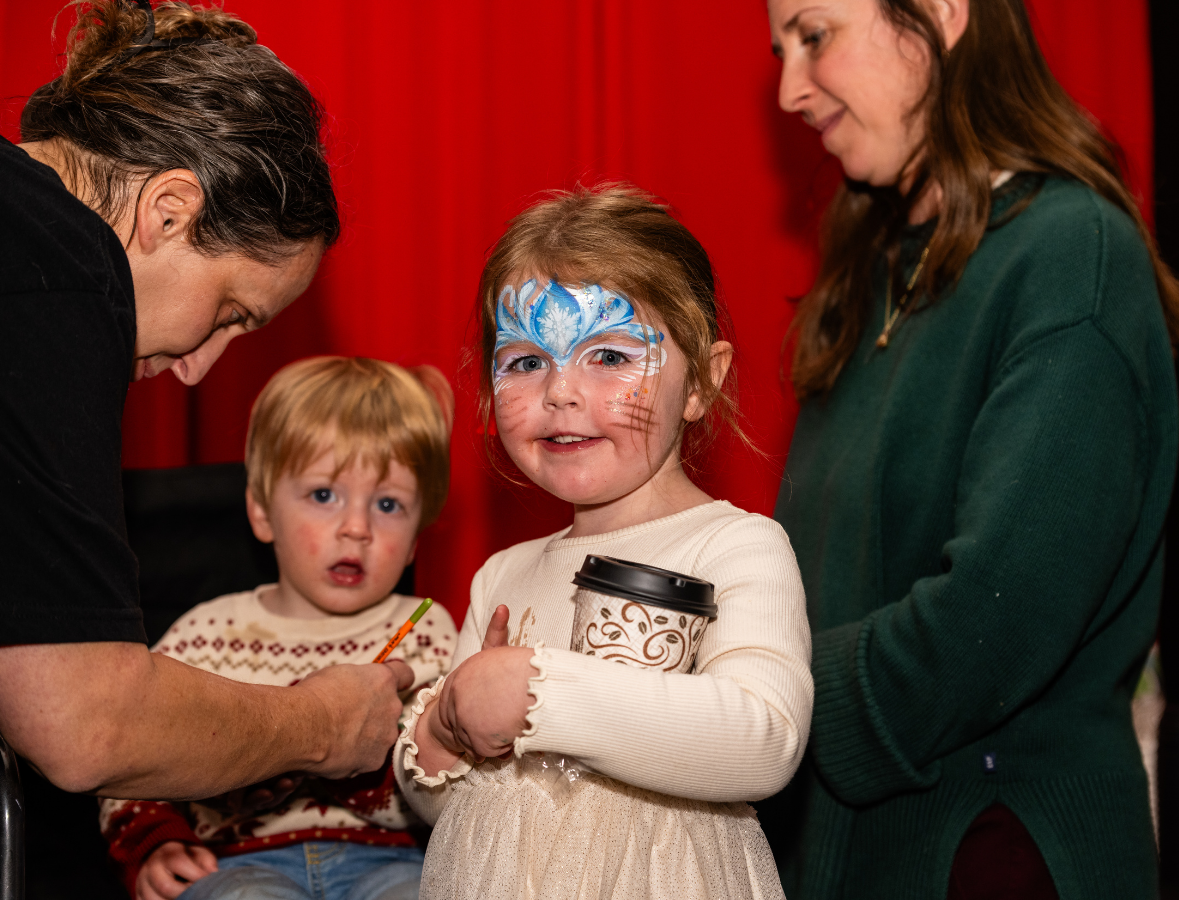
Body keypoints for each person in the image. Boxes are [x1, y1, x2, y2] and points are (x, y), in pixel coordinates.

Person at [763, 0, 1179, 897]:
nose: (790, 88)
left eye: (814, 34)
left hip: (993, 855)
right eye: (779, 51)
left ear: (943, 15)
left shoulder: (1072, 252)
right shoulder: (875, 269)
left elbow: (993, 618)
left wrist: (755, 705)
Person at [0, 0, 413, 802]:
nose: (198, 369)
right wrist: (320, 723)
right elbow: (81, 720)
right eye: (228, 314)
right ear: (168, 211)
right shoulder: (57, 266)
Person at [393, 185, 815, 899]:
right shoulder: (501, 575)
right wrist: (442, 732)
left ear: (701, 384)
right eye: (526, 362)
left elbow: (762, 741)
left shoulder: (735, 546)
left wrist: (538, 693)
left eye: (610, 356)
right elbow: (450, 811)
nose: (560, 391)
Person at [99, 357, 458, 900]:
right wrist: (155, 842)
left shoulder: (426, 630)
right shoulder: (205, 631)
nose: (356, 529)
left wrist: (359, 761)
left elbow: (448, 782)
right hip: (238, 865)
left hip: (393, 859)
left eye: (388, 504)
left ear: (414, 539)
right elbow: (132, 747)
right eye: (323, 495)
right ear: (262, 510)